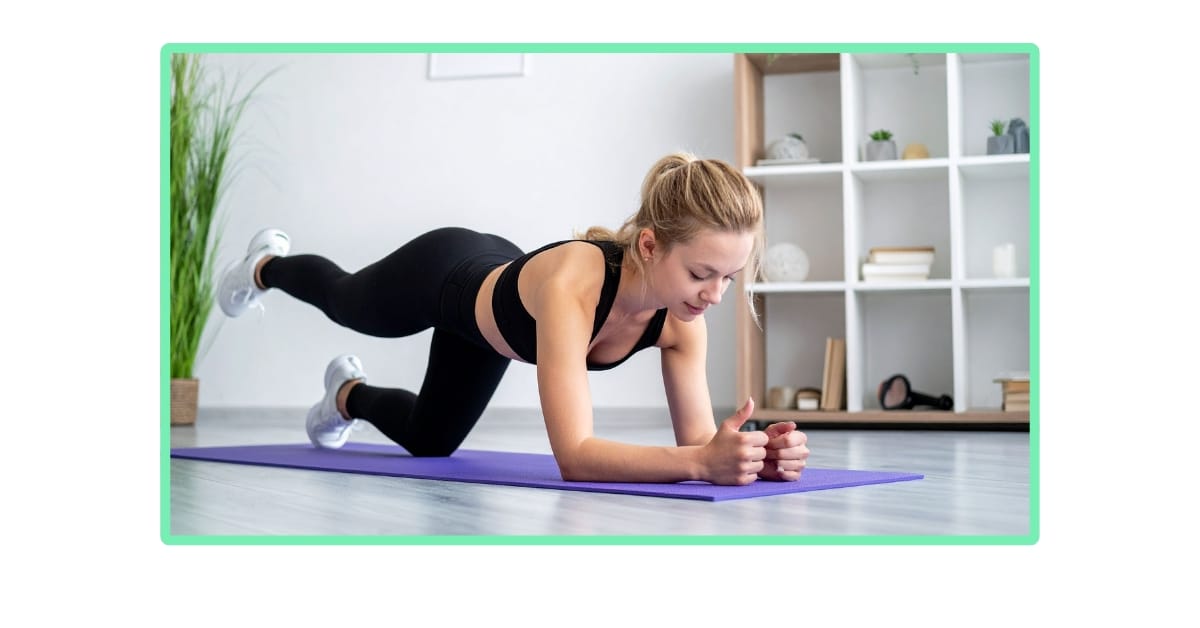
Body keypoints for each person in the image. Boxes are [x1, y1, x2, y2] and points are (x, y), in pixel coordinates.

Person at [216, 152, 809, 486]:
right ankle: (266, 265)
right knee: (349, 303)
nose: (714, 294)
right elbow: (575, 457)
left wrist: (753, 454)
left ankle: (345, 396)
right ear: (650, 246)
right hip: (445, 274)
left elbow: (700, 446)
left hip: (493, 327)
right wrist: (703, 463)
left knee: (430, 443)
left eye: (728, 278)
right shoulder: (576, 285)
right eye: (702, 274)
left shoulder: (682, 322)